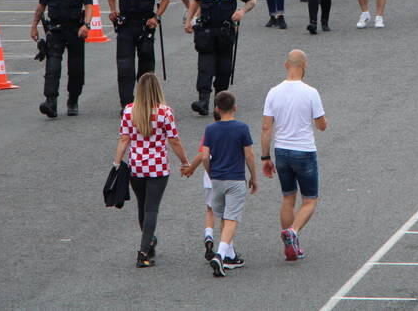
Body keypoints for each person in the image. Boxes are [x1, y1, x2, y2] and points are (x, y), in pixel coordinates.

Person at [112, 72, 189, 268]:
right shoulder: (165, 112)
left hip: (136, 166)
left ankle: (148, 239)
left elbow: (124, 139)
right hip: (158, 167)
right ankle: (144, 251)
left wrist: (117, 163)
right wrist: (185, 162)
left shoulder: (129, 111)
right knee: (152, 208)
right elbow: (174, 140)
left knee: (142, 205)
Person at [261, 49, 327, 262]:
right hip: (304, 151)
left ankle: (289, 245)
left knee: (288, 197)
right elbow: (321, 125)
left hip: (281, 151)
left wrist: (265, 157)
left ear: (286, 65)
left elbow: (266, 128)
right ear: (304, 66)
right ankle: (293, 232)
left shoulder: (273, 92)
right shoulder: (310, 92)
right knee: (310, 200)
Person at [182, 91, 257, 277]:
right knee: (232, 218)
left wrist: (211, 172)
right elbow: (249, 155)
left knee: (223, 216)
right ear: (235, 107)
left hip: (217, 179)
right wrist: (253, 177)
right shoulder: (242, 128)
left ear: (216, 108)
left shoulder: (210, 129)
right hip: (235, 178)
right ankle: (221, 255)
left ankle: (230, 255)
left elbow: (205, 156)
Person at [186, 0, 256, 115]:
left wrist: (242, 11)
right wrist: (189, 20)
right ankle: (203, 101)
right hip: (206, 33)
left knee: (224, 69)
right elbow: (195, 1)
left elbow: (251, 1)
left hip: (225, 34)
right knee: (205, 67)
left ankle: (220, 105)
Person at [30, 0, 92, 118]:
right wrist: (34, 26)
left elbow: (89, 6)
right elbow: (41, 6)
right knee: (52, 67)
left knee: (76, 69)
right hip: (56, 30)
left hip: (75, 31)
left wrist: (86, 25)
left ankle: (73, 101)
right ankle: (51, 102)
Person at [108, 0, 170, 109]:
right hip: (126, 27)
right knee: (125, 67)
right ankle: (127, 105)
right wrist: (113, 10)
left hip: (144, 27)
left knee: (146, 69)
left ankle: (145, 103)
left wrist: (156, 17)